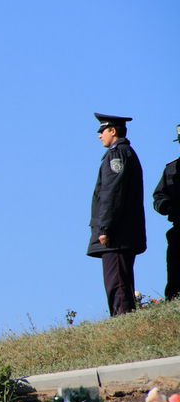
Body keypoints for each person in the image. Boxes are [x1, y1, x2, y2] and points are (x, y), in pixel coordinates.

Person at [87, 113, 146, 316]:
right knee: (118, 280)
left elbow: (112, 192)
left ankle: (122, 319)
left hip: (117, 235)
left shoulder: (117, 155)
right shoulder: (122, 153)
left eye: (102, 131)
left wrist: (105, 227)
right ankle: (122, 317)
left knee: (117, 282)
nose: (99, 136)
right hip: (121, 232)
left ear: (112, 131)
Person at [153, 124, 180, 301]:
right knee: (175, 268)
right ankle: (174, 300)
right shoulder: (172, 168)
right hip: (178, 227)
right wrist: (164, 205)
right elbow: (158, 194)